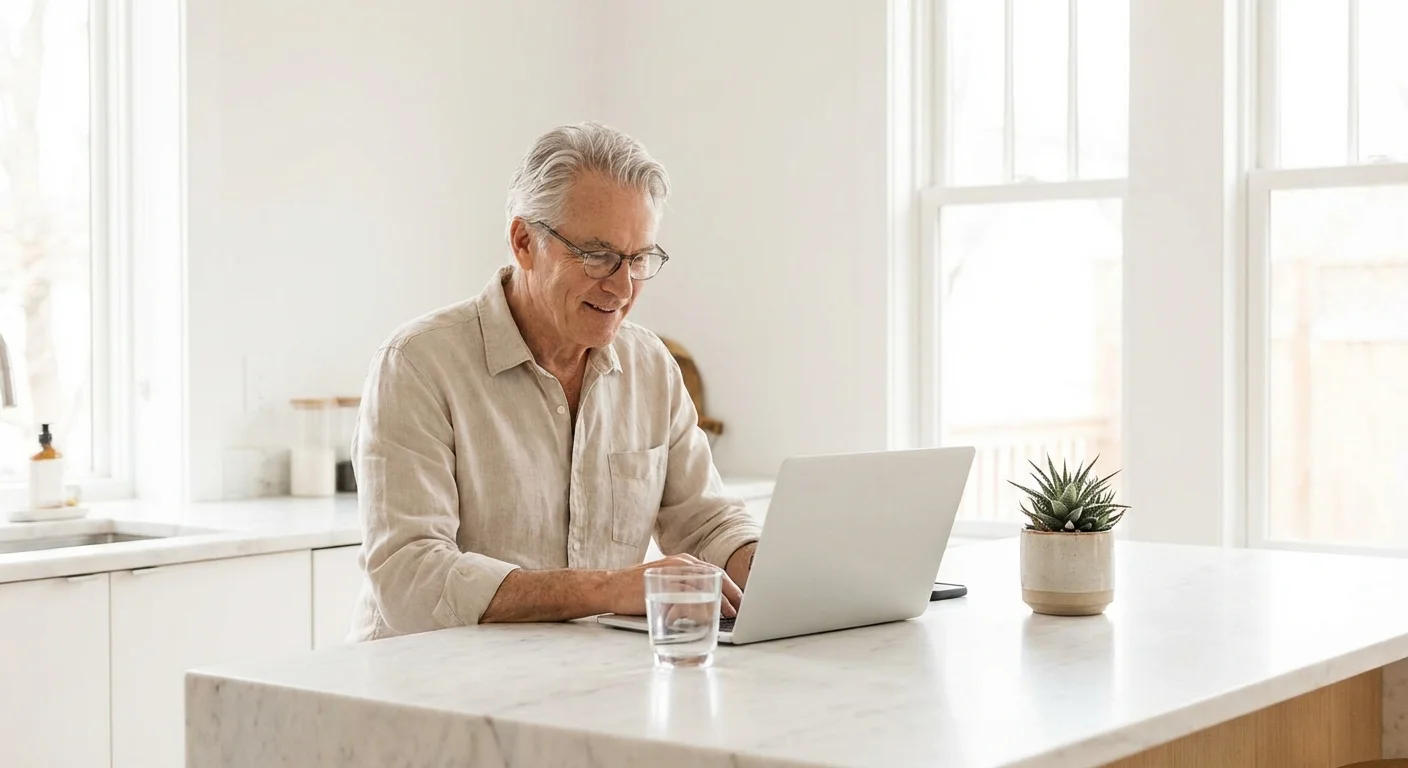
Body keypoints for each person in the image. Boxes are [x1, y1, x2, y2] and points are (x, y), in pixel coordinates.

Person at [348, 122, 761, 642]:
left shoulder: (651, 365)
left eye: (639, 259)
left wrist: (781, 573)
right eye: (598, 255)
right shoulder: (416, 365)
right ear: (524, 241)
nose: (622, 286)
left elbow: (708, 525)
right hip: (425, 693)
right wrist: (610, 589)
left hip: (578, 682)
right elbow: (412, 580)